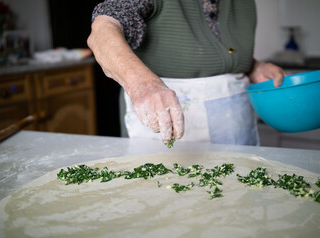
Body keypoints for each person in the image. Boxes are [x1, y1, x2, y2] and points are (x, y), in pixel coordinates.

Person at [87, 0, 286, 146]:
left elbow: (215, 50)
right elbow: (103, 31)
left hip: (235, 131)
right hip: (163, 128)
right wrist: (141, 83)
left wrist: (250, 66)